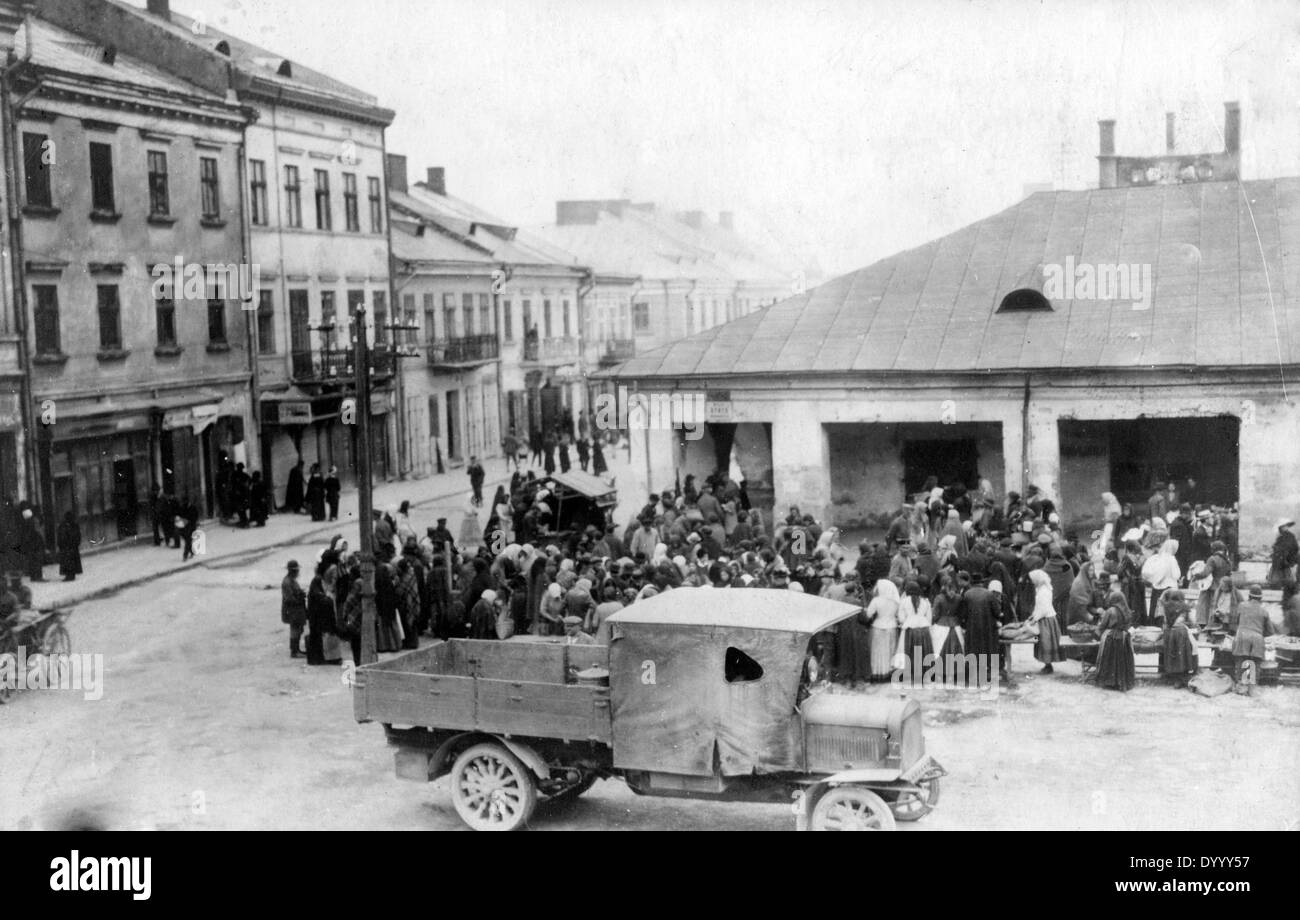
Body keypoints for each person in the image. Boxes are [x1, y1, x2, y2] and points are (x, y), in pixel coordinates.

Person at [1231, 584, 1274, 696]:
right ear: (1261, 598)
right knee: (1255, 662)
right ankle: (1252, 687)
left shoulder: (1241, 606)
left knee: (1241, 661)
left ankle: (1241, 687)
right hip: (1257, 638)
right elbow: (1270, 631)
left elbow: (1235, 621)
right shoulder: (1264, 611)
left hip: (1242, 635)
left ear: (1249, 595)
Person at [1093, 586, 1135, 692]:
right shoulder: (1127, 611)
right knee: (1121, 661)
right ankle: (1122, 681)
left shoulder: (1110, 611)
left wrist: (1095, 635)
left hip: (1111, 638)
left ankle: (1110, 681)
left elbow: (1102, 626)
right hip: (1124, 639)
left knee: (1110, 660)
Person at [1028, 568, 1065, 673]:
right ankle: (1047, 665)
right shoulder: (1042, 589)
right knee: (1045, 643)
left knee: (1046, 643)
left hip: (1046, 619)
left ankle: (1048, 666)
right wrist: (1033, 615)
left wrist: (1035, 618)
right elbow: (1038, 606)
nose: (1032, 582)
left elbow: (1044, 609)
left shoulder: (1044, 591)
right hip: (1044, 617)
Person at [1159, 589, 1198, 687]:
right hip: (1181, 633)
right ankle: (1182, 677)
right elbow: (1192, 622)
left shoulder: (1166, 606)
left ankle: (1172, 676)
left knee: (1172, 653)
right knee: (1185, 652)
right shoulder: (1185, 607)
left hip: (1169, 633)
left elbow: (1164, 622)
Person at [865, 579, 900, 683]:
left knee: (877, 651)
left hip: (878, 626)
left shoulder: (876, 600)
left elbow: (868, 614)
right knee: (890, 650)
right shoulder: (896, 601)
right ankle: (889, 671)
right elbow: (898, 615)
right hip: (892, 627)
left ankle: (877, 672)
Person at [897, 580, 933, 681]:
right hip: (924, 629)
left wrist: (905, 621)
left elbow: (901, 618)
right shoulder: (925, 601)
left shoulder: (904, 601)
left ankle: (909, 675)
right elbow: (929, 618)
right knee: (924, 651)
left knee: (908, 651)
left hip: (910, 629)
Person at [1140, 539, 1181, 623]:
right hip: (1169, 587)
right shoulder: (1172, 559)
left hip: (1157, 587)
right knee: (1167, 612)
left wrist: (1156, 581)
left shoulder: (1158, 558)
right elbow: (1176, 574)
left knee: (1155, 609)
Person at [281, 560, 307, 658]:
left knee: (298, 629)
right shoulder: (287, 582)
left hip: (296, 609)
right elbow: (289, 598)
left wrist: (301, 593)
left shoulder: (291, 580)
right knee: (295, 629)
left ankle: (297, 649)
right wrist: (300, 597)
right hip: (292, 609)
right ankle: (294, 651)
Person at [1268, 518, 1298, 588]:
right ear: (1280, 527)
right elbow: (1277, 547)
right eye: (1283, 526)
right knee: (1276, 580)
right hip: (1279, 560)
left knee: (1287, 578)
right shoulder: (1279, 536)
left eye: (1286, 526)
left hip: (1285, 560)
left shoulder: (1290, 536)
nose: (1285, 527)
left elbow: (1294, 548)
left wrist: (1289, 557)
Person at [55, 511, 82, 583]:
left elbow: (61, 536)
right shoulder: (72, 525)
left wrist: (61, 544)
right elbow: (77, 536)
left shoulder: (65, 525)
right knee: (70, 562)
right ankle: (70, 575)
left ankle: (69, 575)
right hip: (70, 547)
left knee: (68, 562)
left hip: (67, 547)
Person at [19, 507, 44, 581]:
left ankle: (33, 576)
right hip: (36, 543)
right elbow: (37, 532)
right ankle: (38, 577)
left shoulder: (24, 523)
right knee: (37, 560)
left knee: (32, 560)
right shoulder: (33, 522)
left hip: (29, 544)